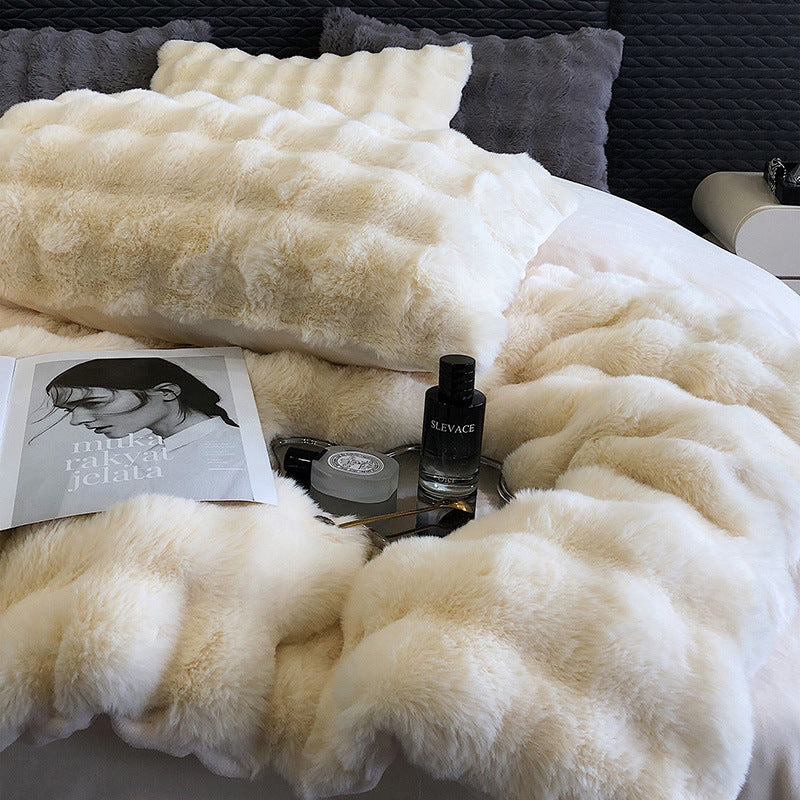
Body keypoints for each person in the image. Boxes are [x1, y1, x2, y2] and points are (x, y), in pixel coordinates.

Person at [25, 357, 253, 516]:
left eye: (93, 402)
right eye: (69, 410)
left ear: (167, 392)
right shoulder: (109, 458)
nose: (76, 420)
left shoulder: (239, 453)